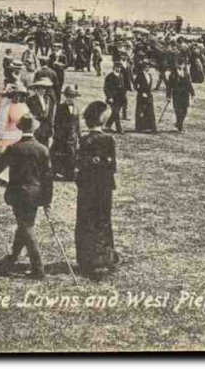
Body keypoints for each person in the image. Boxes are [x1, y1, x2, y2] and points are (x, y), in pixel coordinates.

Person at [0, 113, 53, 279]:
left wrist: (5, 184)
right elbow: (48, 179)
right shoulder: (42, 150)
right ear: (35, 129)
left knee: (26, 227)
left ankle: (38, 268)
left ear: (21, 129)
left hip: (17, 195)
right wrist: (47, 201)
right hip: (36, 195)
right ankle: (12, 259)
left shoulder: (13, 149)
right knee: (25, 225)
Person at [75, 101, 120, 280]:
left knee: (86, 221)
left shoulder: (84, 140)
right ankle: (104, 257)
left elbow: (78, 165)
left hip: (87, 188)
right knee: (103, 220)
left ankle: (86, 259)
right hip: (104, 188)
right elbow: (112, 167)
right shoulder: (108, 140)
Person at [51, 85, 81, 181]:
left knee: (72, 154)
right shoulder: (60, 107)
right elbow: (57, 122)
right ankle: (58, 172)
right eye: (69, 96)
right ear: (66, 96)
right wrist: (58, 135)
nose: (71, 98)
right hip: (62, 136)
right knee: (60, 153)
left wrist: (78, 135)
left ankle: (70, 174)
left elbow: (77, 123)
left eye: (73, 96)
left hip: (73, 136)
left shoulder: (76, 108)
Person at [166, 56, 195, 133]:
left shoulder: (186, 72)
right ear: (176, 64)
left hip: (185, 94)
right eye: (179, 64)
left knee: (185, 111)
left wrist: (193, 94)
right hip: (176, 94)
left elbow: (189, 84)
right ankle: (180, 127)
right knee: (178, 110)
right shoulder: (173, 73)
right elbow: (169, 86)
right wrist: (168, 96)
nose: (181, 65)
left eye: (182, 64)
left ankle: (179, 123)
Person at [27, 78, 55, 147]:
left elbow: (50, 115)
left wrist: (51, 127)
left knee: (45, 147)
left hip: (46, 128)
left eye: (45, 88)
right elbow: (30, 114)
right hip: (37, 127)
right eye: (41, 88)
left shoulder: (48, 99)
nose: (43, 90)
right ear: (37, 89)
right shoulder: (31, 100)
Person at [132, 61, 157, 133]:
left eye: (148, 67)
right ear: (143, 68)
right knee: (140, 111)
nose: (147, 68)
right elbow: (135, 85)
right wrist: (140, 92)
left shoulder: (149, 75)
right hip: (141, 96)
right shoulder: (140, 75)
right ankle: (139, 128)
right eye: (146, 67)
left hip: (149, 95)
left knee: (150, 111)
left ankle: (151, 127)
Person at [103, 62, 126, 134]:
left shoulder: (121, 76)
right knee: (116, 113)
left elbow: (122, 87)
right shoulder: (109, 76)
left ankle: (107, 126)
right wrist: (109, 97)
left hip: (119, 98)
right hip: (112, 98)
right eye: (117, 67)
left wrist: (124, 97)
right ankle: (119, 129)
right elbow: (106, 88)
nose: (118, 69)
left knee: (115, 113)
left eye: (119, 68)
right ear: (114, 67)